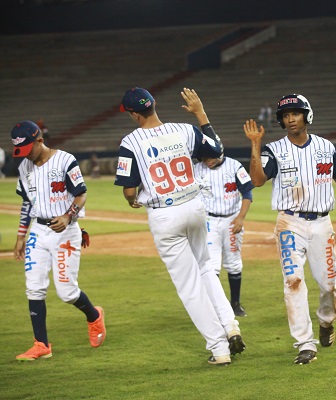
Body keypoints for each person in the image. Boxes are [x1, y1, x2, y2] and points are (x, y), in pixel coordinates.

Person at [115, 87, 244, 366]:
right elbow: (217, 149)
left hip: (165, 215)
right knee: (206, 268)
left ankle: (219, 348)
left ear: (134, 114)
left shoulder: (130, 142)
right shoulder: (185, 130)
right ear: (154, 104)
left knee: (189, 286)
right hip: (195, 207)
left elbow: (128, 190)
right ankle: (230, 324)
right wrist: (200, 114)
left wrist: (133, 199)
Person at [243, 93, 336, 365]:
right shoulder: (274, 150)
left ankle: (326, 321)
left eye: (295, 113)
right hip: (289, 223)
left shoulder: (325, 147)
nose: (290, 119)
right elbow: (258, 180)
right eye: (286, 116)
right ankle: (305, 344)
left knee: (329, 285)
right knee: (293, 282)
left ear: (306, 115)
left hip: (322, 224)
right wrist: (255, 145)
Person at [11, 120, 106, 361]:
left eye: (27, 149)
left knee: (67, 293)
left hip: (65, 231)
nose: (25, 156)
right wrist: (21, 235)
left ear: (40, 140)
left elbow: (81, 193)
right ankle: (41, 344)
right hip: (38, 232)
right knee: (34, 287)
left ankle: (94, 316)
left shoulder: (65, 160)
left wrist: (68, 215)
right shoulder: (25, 167)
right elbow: (26, 203)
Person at [194, 153, 254, 317]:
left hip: (231, 220)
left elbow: (247, 193)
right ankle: (215, 306)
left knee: (233, 263)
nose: (207, 161)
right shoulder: (197, 169)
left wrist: (241, 218)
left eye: (210, 157)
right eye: (204, 159)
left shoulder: (234, 166)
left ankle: (235, 304)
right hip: (208, 221)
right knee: (211, 265)